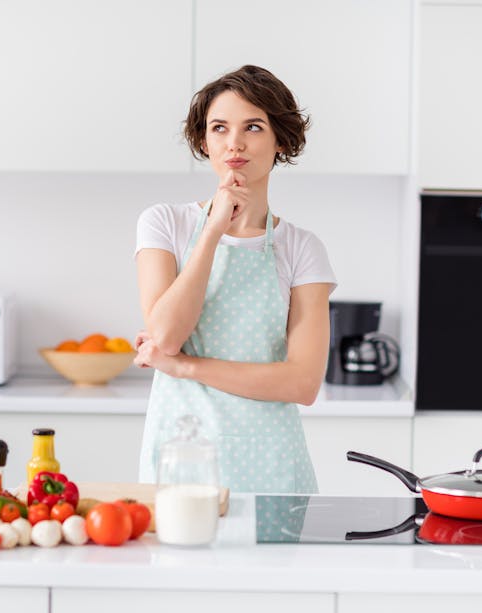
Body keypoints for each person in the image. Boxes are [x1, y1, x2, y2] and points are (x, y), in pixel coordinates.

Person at [133, 65, 336, 494]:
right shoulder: (164, 224)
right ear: (203, 141)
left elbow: (302, 383)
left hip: (273, 470)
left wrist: (184, 366)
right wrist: (212, 232)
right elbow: (165, 335)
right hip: (180, 466)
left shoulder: (302, 248)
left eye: (253, 127)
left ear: (280, 139)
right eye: (219, 128)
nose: (234, 143)